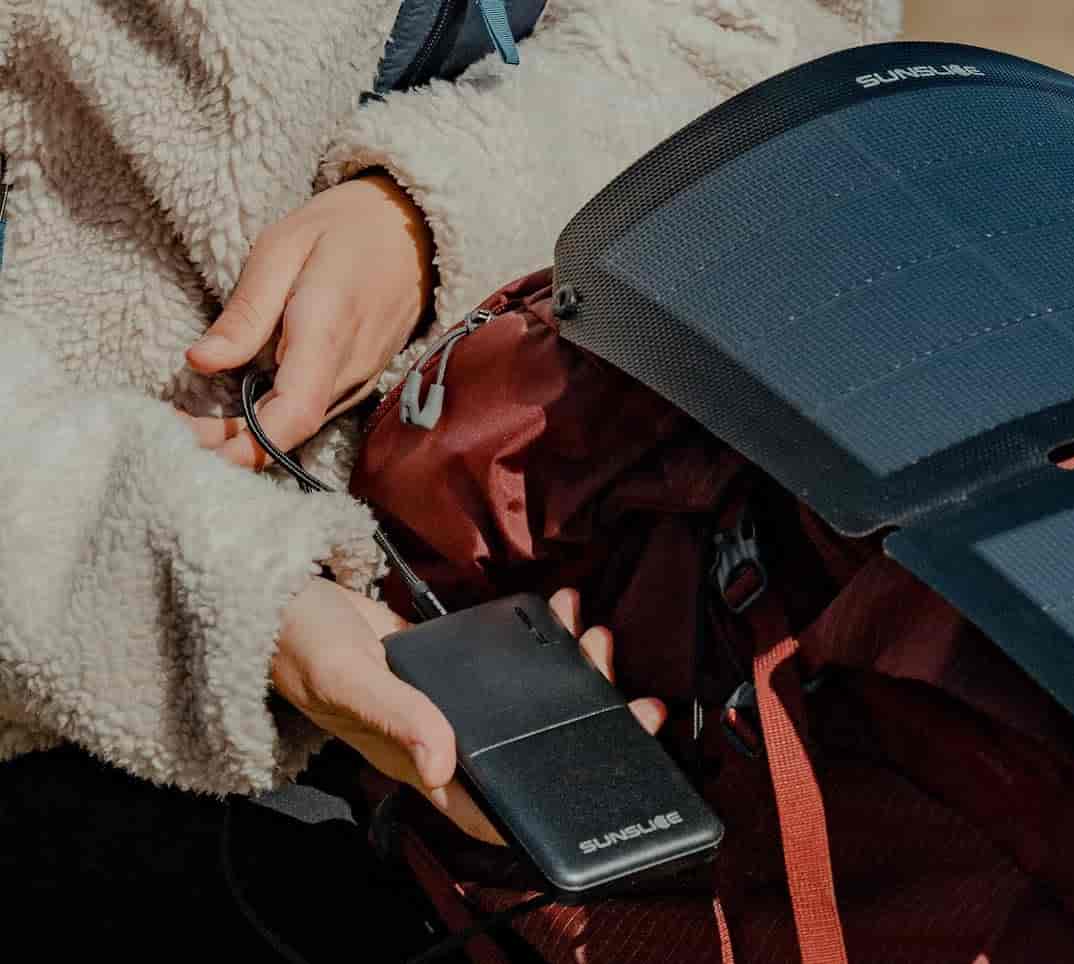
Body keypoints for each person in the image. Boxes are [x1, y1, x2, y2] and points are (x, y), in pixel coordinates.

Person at [0, 0, 899, 952]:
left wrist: (424, 212)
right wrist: (218, 586)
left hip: (555, 558)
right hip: (67, 682)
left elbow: (778, 35)